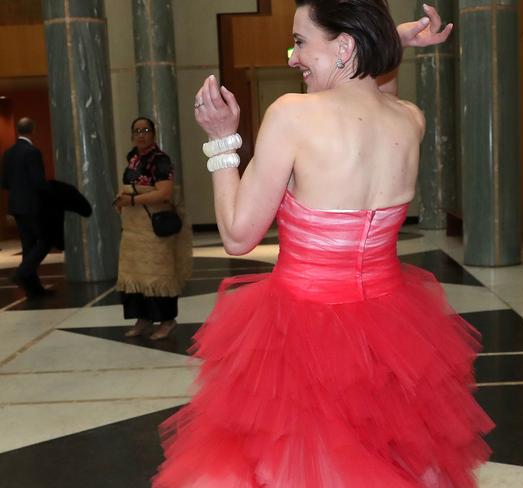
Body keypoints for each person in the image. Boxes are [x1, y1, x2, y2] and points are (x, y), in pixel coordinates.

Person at [155, 2, 492, 487]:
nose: (292, 56)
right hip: (390, 334)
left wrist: (221, 140)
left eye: (300, 42)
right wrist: (389, 42)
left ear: (344, 45)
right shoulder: (408, 120)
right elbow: (375, 88)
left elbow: (238, 234)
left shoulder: (293, 115)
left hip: (303, 330)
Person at [113, 117, 192, 340]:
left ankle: (167, 321)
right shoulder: (133, 159)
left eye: (146, 130)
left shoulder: (160, 160)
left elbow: (164, 193)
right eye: (137, 131)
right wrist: (122, 200)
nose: (141, 134)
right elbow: (128, 187)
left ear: (153, 134)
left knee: (159, 275)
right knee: (134, 276)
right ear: (131, 135)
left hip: (154, 229)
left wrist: (133, 200)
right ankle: (143, 319)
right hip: (132, 230)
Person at [0, 117, 54, 298]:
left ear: (17, 130)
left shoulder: (8, 153)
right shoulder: (32, 152)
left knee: (28, 245)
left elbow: (5, 182)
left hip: (16, 206)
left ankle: (33, 289)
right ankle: (21, 272)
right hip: (32, 205)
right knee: (46, 240)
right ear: (33, 130)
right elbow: (38, 181)